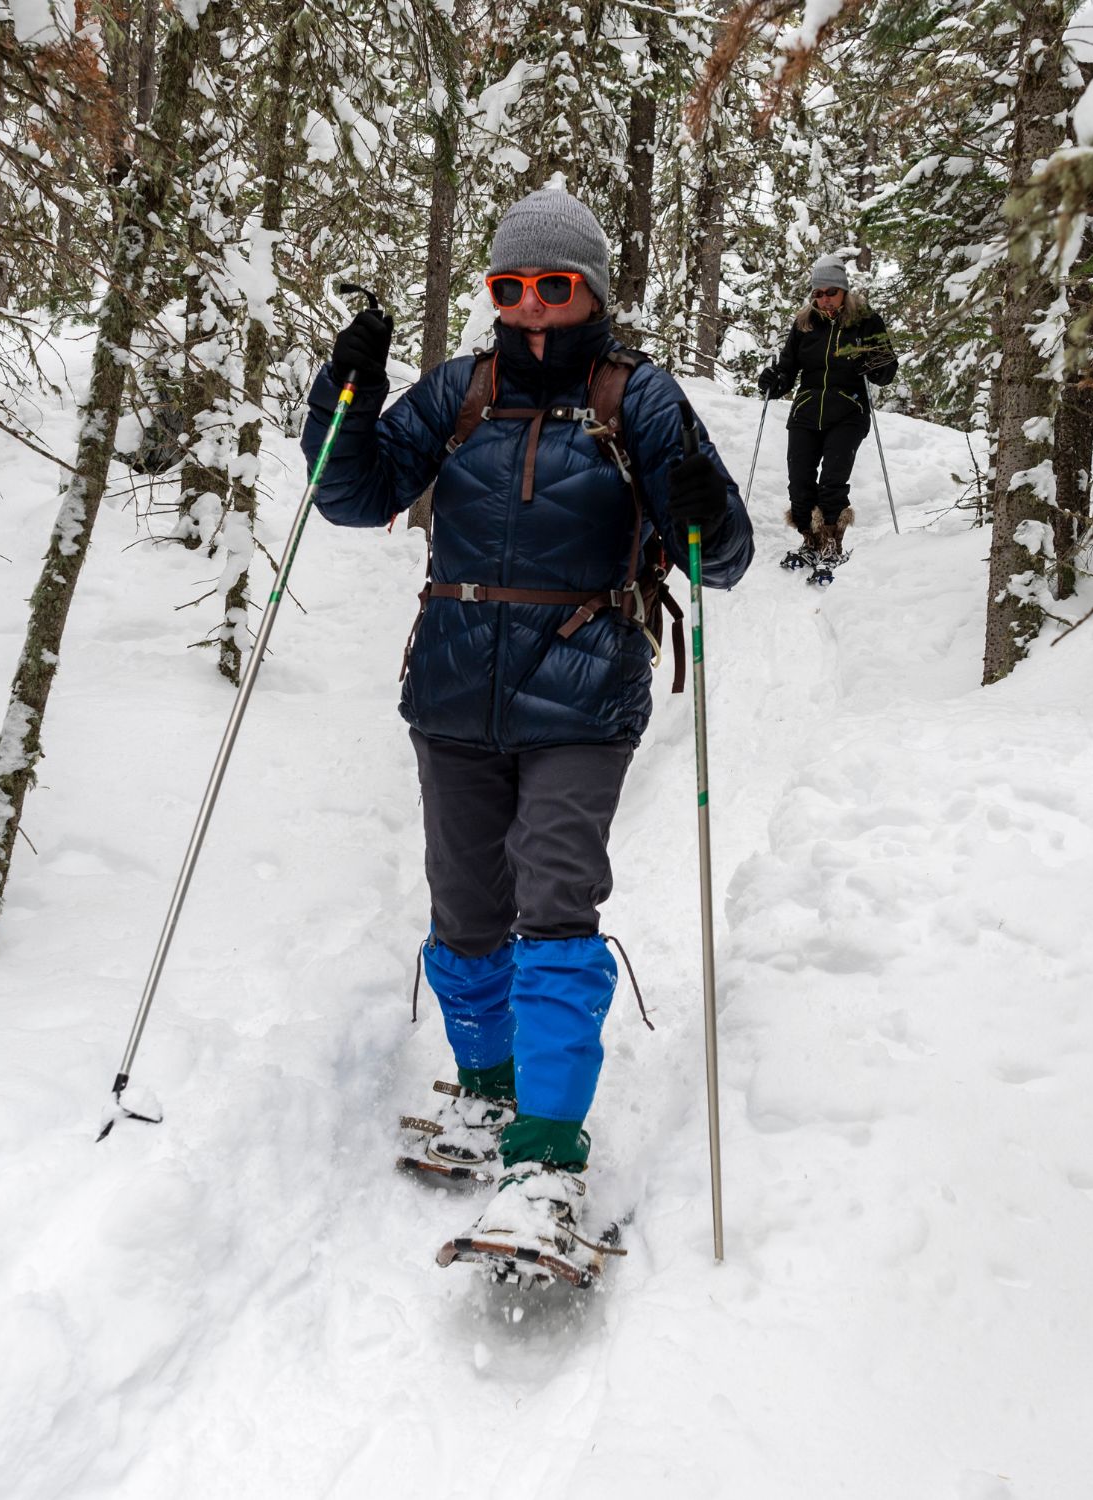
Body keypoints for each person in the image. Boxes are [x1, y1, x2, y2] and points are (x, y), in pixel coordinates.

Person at [301, 187, 754, 1272]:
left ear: (591, 289)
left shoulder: (638, 396)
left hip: (585, 690)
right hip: (454, 687)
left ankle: (546, 1155)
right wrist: (346, 390)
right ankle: (488, 1091)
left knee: (553, 901)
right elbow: (351, 495)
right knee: (465, 909)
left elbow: (721, 556)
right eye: (511, 289)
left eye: (554, 288)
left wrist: (697, 500)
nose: (533, 309)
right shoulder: (460, 391)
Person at [756, 255, 898, 575]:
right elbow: (788, 369)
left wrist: (873, 364)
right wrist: (774, 381)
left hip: (848, 411)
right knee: (799, 483)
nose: (824, 299)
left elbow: (887, 370)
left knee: (833, 482)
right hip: (807, 410)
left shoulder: (866, 322)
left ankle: (832, 544)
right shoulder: (804, 324)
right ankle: (811, 541)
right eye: (817, 293)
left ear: (844, 290)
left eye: (830, 292)